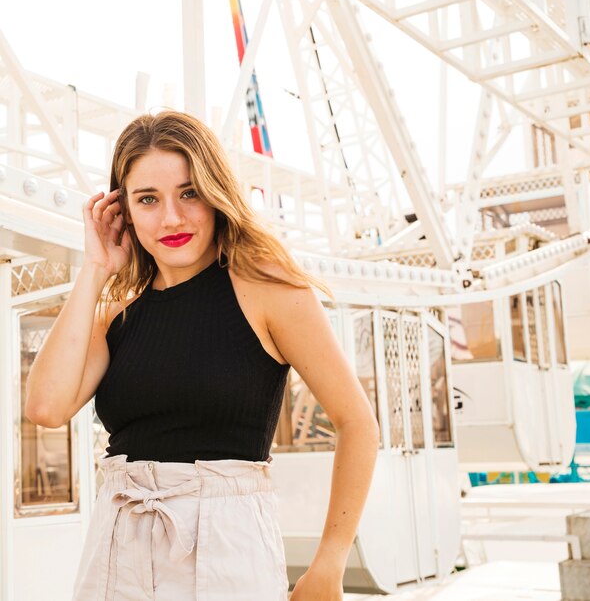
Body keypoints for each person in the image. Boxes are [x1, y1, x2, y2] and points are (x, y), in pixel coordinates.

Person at [25, 110, 380, 600]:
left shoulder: (268, 289)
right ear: (122, 211)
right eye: (147, 199)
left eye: (189, 192)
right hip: (116, 546)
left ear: (216, 193)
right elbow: (45, 407)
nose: (171, 218)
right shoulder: (116, 311)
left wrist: (330, 564)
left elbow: (357, 423)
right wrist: (95, 269)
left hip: (226, 549)